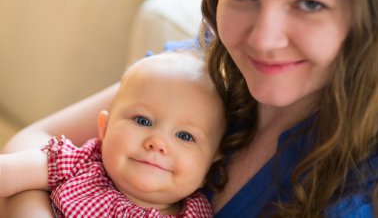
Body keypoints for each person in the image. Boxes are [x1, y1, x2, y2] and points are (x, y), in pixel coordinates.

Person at [1, 0, 378, 217]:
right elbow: (31, 144)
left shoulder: (363, 184)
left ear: (367, 12)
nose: (263, 39)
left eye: (309, 4)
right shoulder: (204, 65)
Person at [0, 51, 226, 217]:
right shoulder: (78, 164)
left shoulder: (196, 214)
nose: (157, 143)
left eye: (185, 136)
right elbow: (7, 172)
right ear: (104, 128)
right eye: (142, 120)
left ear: (210, 163)